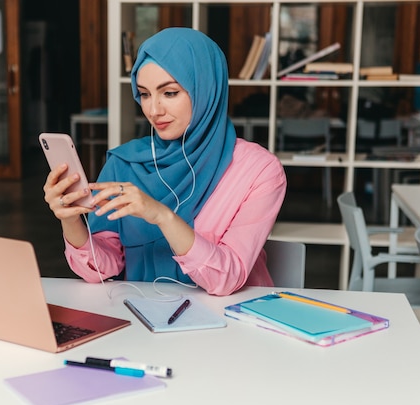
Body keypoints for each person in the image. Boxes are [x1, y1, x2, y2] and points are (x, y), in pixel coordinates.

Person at [44, 27, 286, 296]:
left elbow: (227, 278)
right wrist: (70, 218)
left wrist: (161, 215)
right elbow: (101, 269)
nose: (154, 110)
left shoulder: (259, 170)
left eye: (169, 93)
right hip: (144, 317)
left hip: (232, 322)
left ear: (206, 89)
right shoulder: (125, 162)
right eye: (145, 94)